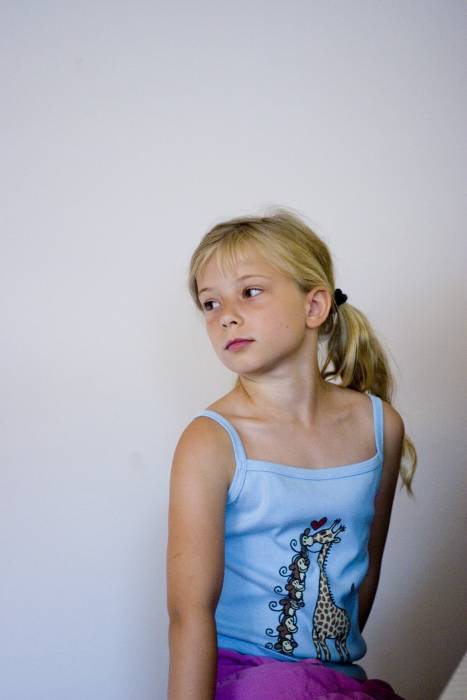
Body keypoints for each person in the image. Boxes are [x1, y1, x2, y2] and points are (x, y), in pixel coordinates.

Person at [166, 208, 417, 700]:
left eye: (250, 291)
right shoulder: (210, 441)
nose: (226, 315)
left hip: (332, 680)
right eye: (210, 303)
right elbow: (187, 613)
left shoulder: (379, 427)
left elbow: (365, 568)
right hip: (242, 676)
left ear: (315, 305)